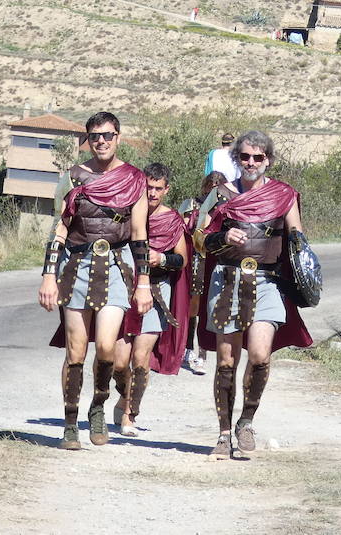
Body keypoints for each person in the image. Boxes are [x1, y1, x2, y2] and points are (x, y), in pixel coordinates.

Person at [39, 112, 152, 450]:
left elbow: (139, 233)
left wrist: (144, 281)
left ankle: (99, 406)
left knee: (105, 347)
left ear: (118, 137)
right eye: (94, 136)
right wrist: (48, 275)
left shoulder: (135, 179)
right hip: (76, 265)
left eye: (107, 135)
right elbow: (59, 228)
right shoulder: (72, 177)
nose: (101, 141)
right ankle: (71, 422)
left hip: (117, 265)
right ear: (87, 140)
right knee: (75, 350)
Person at [198, 131, 312, 459]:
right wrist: (221, 236)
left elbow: (297, 238)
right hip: (227, 280)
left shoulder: (284, 195)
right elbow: (199, 238)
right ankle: (223, 433)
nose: (251, 163)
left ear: (269, 161)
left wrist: (305, 274)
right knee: (226, 362)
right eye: (245, 157)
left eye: (258, 158)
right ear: (236, 159)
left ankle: (245, 420)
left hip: (267, 282)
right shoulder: (220, 195)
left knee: (261, 356)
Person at [111, 162, 190, 436]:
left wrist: (163, 258)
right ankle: (122, 396)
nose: (153, 193)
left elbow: (182, 259)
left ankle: (130, 413)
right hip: (125, 288)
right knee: (119, 361)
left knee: (141, 358)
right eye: (148, 187)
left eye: (158, 188)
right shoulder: (128, 214)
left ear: (167, 189)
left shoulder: (172, 220)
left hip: (158, 293)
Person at [180, 170, 230, 374]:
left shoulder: (228, 208)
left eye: (219, 185)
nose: (215, 189)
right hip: (193, 258)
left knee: (209, 308)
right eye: (212, 185)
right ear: (206, 186)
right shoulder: (192, 204)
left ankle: (202, 354)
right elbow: (182, 230)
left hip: (213, 260)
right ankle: (187, 348)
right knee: (192, 307)